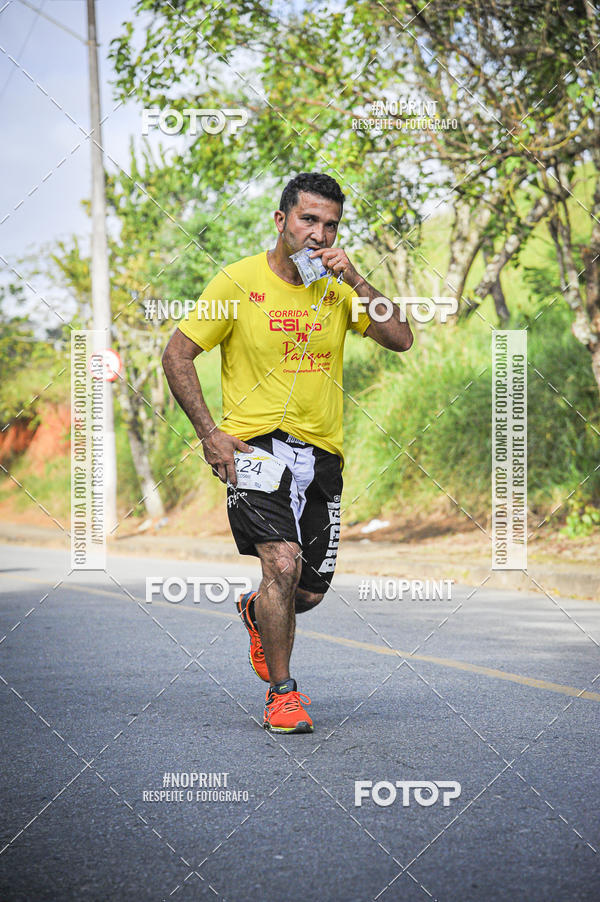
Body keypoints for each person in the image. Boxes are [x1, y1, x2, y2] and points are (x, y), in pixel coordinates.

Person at [162, 171, 413, 734]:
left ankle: (258, 613)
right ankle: (283, 694)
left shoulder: (337, 285)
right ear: (281, 220)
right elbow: (177, 355)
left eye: (330, 225)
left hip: (322, 455)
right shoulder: (237, 282)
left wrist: (358, 280)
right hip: (253, 448)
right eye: (308, 220)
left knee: (306, 592)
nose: (318, 235)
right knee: (280, 562)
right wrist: (210, 434)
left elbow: (400, 337)